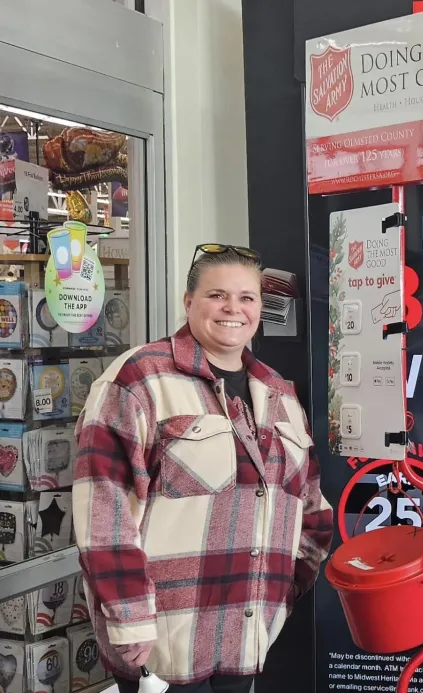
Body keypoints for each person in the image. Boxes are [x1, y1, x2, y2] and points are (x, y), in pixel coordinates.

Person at [73, 244, 334, 693]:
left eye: (247, 298)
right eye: (217, 295)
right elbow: (103, 510)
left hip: (246, 640)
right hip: (161, 645)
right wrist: (129, 616)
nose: (234, 308)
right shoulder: (139, 379)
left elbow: (310, 508)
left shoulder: (279, 394)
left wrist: (281, 596)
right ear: (189, 302)